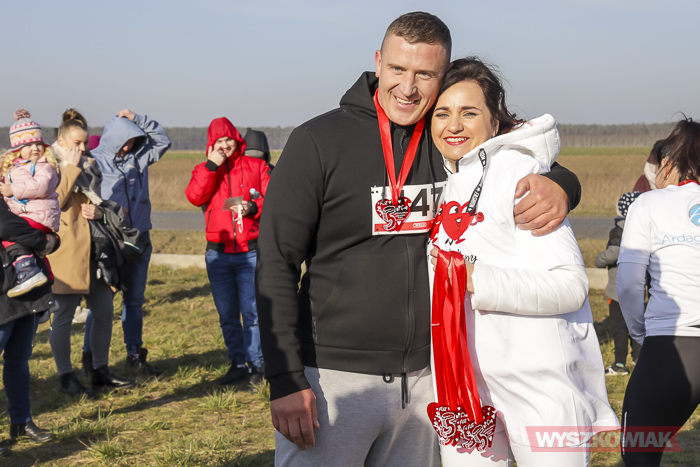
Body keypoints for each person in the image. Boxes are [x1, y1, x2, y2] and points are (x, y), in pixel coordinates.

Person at [256, 12, 581, 466]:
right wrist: (285, 379)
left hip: (428, 381)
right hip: (333, 380)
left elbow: (521, 155)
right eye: (397, 69)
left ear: (443, 75)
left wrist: (563, 184)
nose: (408, 88)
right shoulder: (317, 141)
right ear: (378, 62)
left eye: (425, 74)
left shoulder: (447, 138)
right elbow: (276, 263)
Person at [428, 57, 618, 467]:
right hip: (465, 390)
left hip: (539, 391)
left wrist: (476, 280)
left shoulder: (521, 175)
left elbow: (570, 286)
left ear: (494, 121)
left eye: (469, 112)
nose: (453, 125)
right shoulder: (443, 180)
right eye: (442, 113)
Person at [617, 118, 700, 465]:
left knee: (638, 451)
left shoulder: (648, 203)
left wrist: (641, 334)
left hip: (671, 343)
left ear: (668, 163)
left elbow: (629, 284)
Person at [48, 109, 134, 397]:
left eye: (85, 143)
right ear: (61, 141)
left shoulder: (88, 165)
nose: (83, 148)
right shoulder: (48, 164)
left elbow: (97, 202)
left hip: (96, 251)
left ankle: (100, 370)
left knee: (104, 312)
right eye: (77, 143)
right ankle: (65, 377)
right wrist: (71, 168)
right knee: (63, 316)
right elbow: (55, 201)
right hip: (65, 253)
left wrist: (99, 213)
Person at [185, 118, 269, 386]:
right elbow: (195, 196)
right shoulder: (204, 170)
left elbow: (273, 199)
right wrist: (212, 166)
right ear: (211, 145)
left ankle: (257, 365)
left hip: (249, 253)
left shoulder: (256, 166)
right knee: (228, 315)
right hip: (218, 255)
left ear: (237, 139)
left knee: (252, 313)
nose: (224, 145)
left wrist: (252, 208)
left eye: (228, 139)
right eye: (218, 141)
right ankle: (237, 363)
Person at [90, 109, 171, 375]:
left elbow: (163, 141)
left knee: (134, 301)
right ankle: (91, 359)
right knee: (101, 304)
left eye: (133, 141)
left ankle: (135, 355)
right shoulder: (94, 161)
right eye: (125, 141)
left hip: (140, 240)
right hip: (110, 243)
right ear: (112, 138)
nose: (128, 147)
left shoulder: (139, 158)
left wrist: (138, 120)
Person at [0, 201, 60, 456]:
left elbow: (41, 223)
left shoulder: (10, 195)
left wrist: (51, 239)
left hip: (27, 290)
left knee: (19, 359)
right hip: (3, 292)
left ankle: (21, 421)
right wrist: (42, 239)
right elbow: (6, 225)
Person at [0, 110, 60, 299]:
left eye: (38, 144)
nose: (35, 148)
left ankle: (28, 271)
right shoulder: (15, 167)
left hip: (39, 215)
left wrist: (12, 189)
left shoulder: (44, 166)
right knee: (32, 248)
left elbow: (41, 186)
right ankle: (46, 280)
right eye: (28, 145)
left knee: (10, 235)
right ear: (17, 149)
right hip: (28, 214)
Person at [595, 191, 642, 376]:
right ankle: (638, 359)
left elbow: (612, 253)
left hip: (618, 290)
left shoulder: (618, 231)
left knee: (619, 327)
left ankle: (620, 364)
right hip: (637, 288)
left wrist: (600, 259)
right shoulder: (642, 230)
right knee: (636, 326)